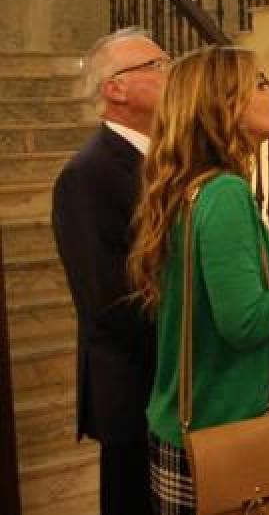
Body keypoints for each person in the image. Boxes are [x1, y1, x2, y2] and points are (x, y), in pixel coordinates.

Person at [128, 46, 269, 513]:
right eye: (259, 85)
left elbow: (214, 290)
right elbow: (244, 322)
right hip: (220, 426)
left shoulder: (193, 185)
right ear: (223, 104)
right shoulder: (226, 192)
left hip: (190, 423)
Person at [51, 28, 167, 515]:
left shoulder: (165, 158)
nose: (172, 72)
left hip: (168, 377)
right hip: (134, 384)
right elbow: (108, 300)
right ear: (115, 89)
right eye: (156, 66)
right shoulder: (88, 174)